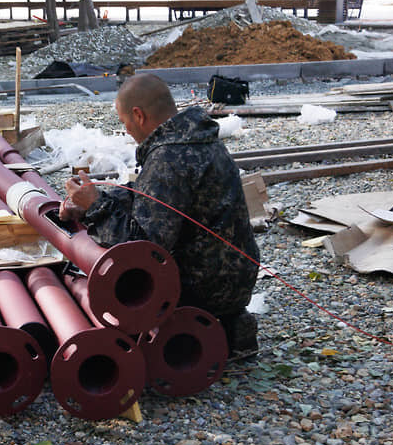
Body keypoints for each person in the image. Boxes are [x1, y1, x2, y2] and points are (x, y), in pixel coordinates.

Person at [59, 73, 260, 357]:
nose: (126, 130)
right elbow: (149, 196)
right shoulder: (197, 138)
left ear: (138, 115)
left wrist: (95, 208)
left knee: (116, 275)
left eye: (124, 121)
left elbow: (143, 249)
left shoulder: (169, 157)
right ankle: (232, 324)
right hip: (236, 278)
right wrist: (98, 199)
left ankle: (192, 331)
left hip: (206, 286)